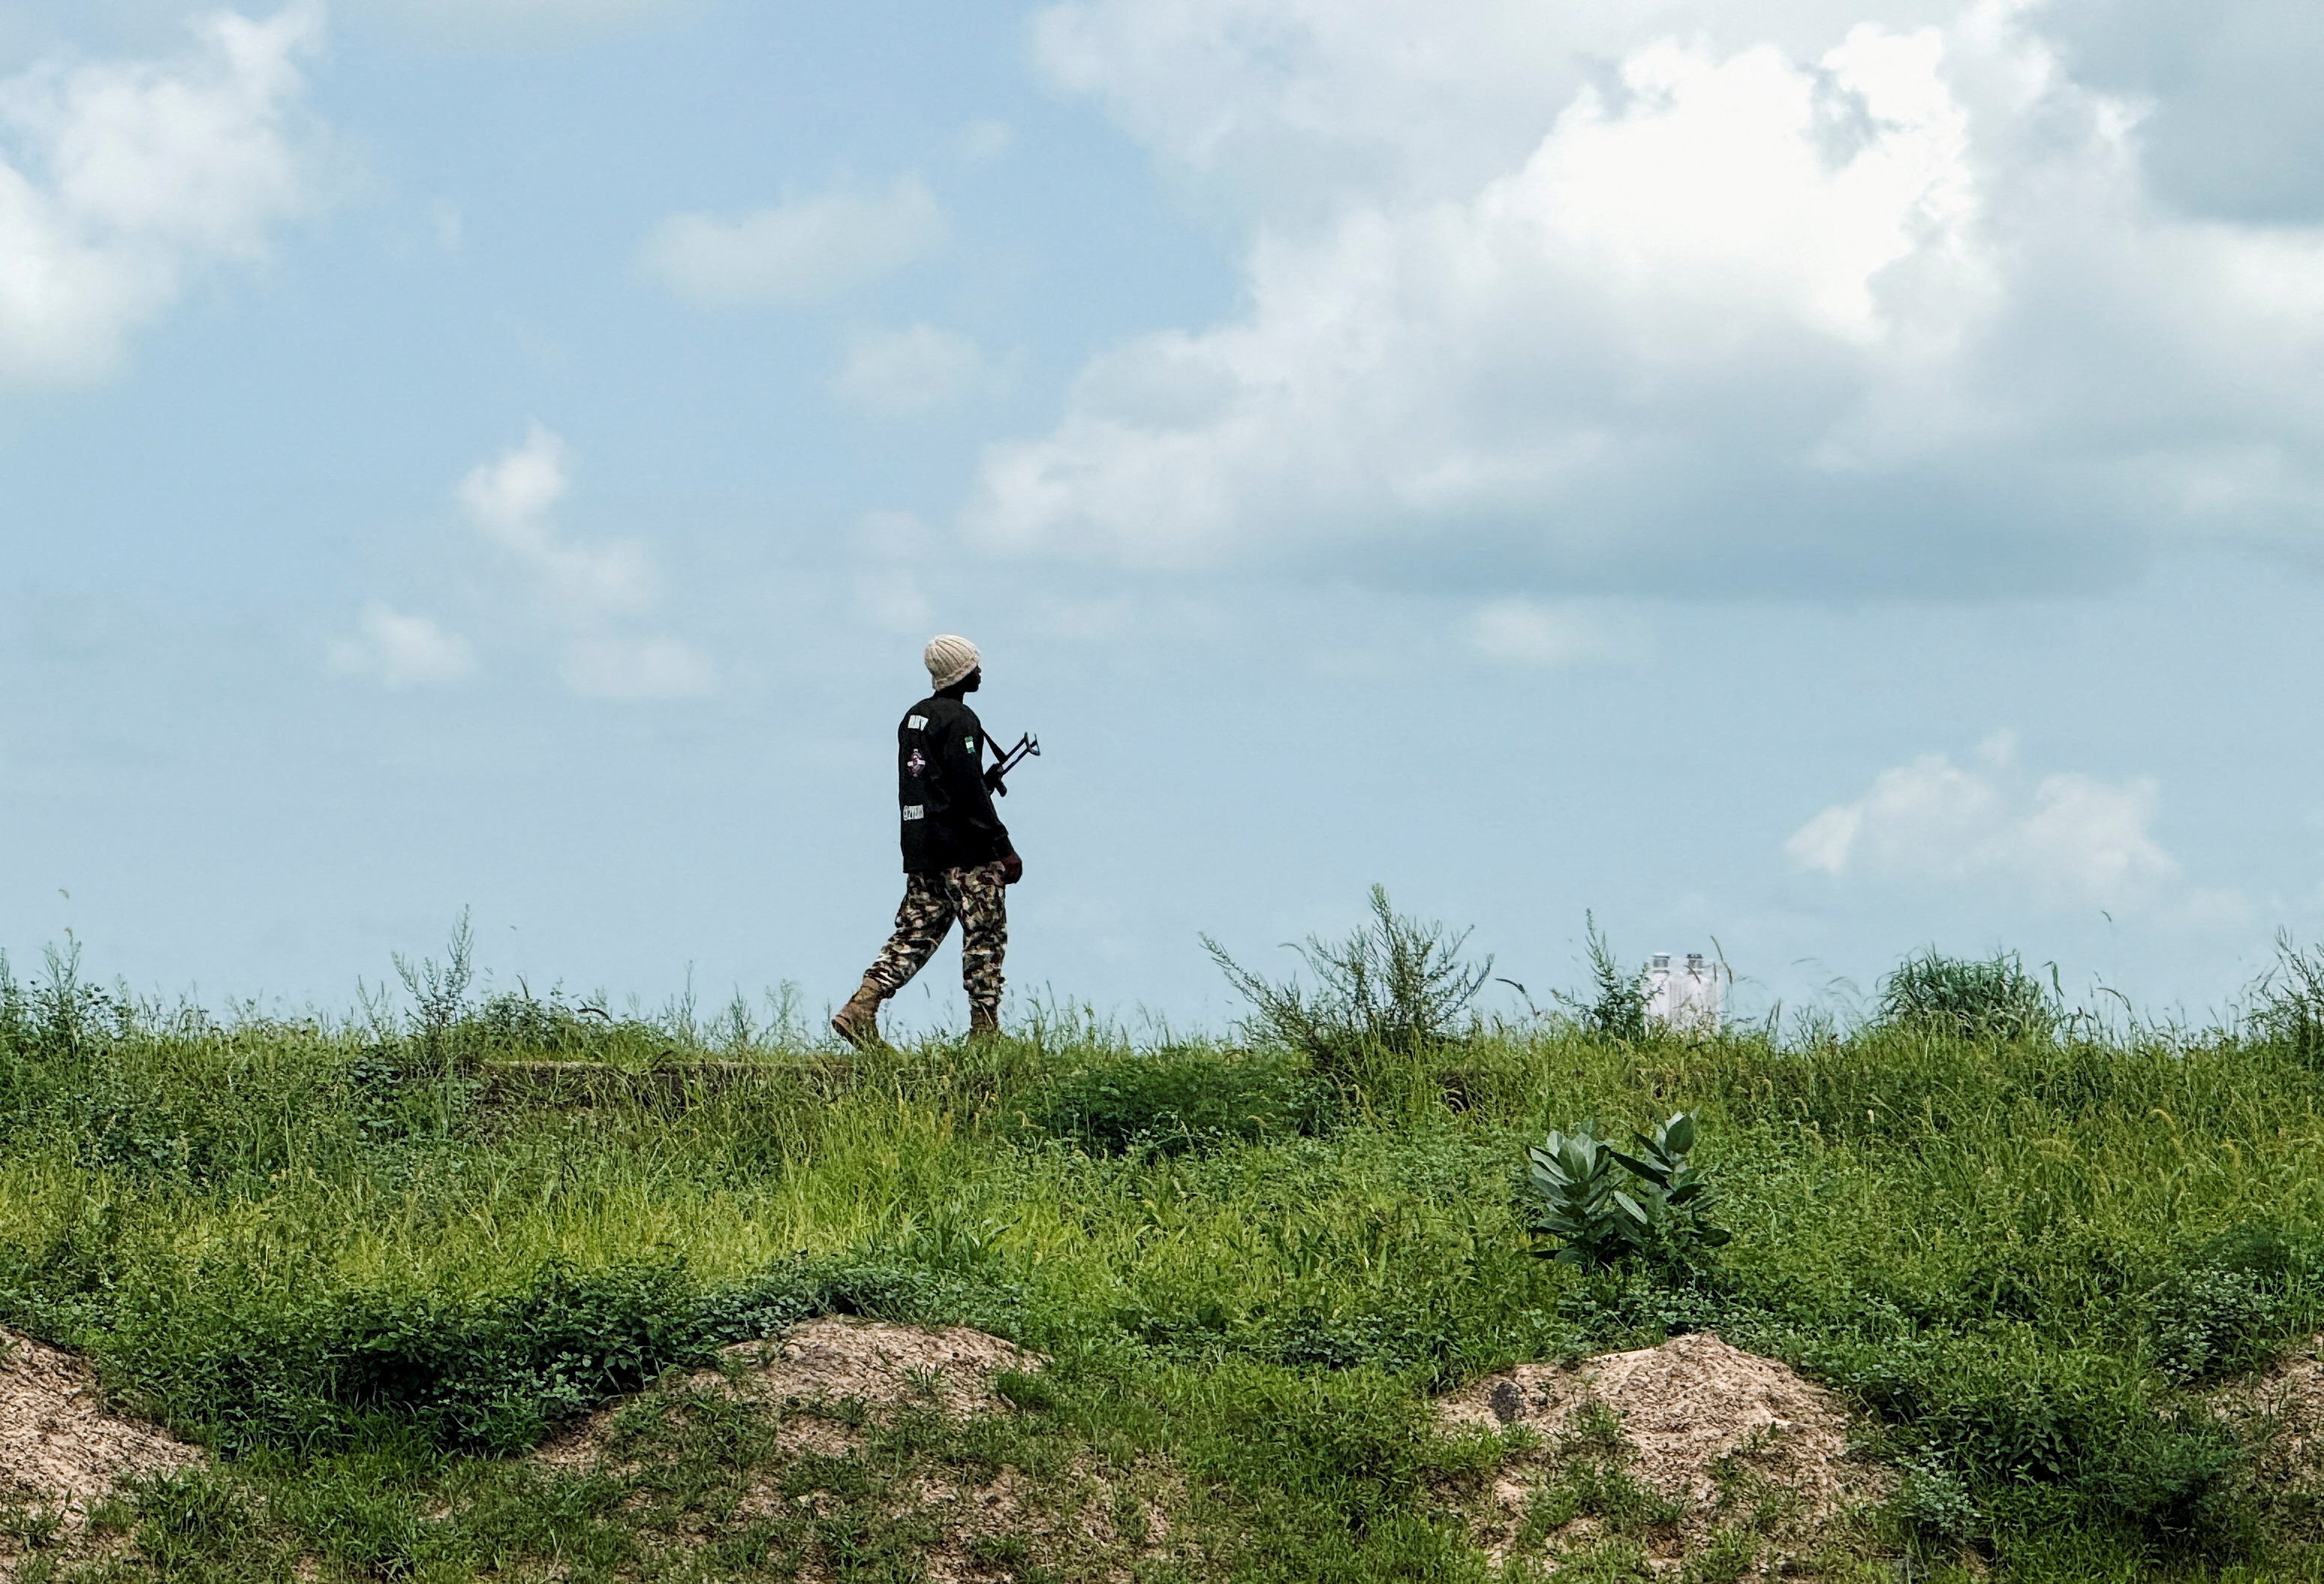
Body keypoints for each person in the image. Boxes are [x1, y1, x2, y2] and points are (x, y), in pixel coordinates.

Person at [832, 635, 1023, 1048]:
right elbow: (969, 791)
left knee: (914, 933)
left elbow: (932, 785)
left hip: (923, 850)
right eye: (974, 665)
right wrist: (1002, 846)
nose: (979, 671)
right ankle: (985, 1033)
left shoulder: (913, 718)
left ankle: (861, 1007)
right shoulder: (960, 720)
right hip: (967, 852)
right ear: (962, 672)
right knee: (984, 935)